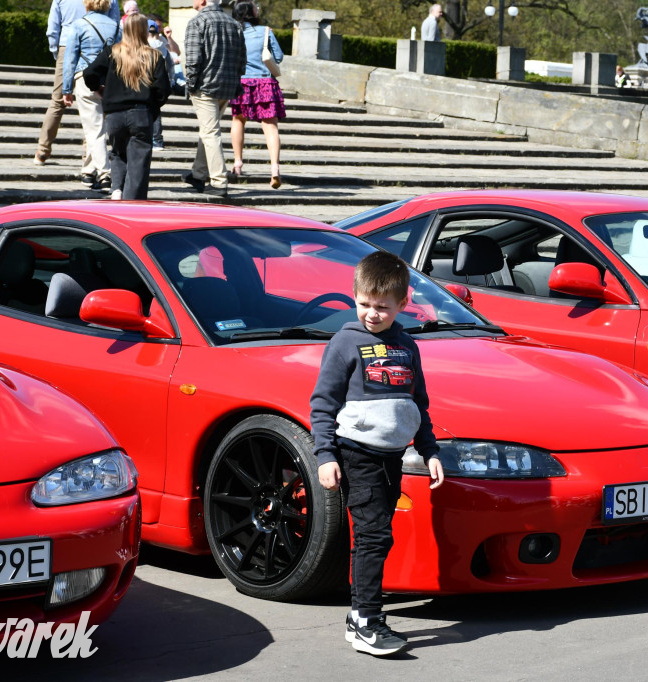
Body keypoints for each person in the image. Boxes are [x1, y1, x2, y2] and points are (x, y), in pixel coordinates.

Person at [310, 251, 444, 657]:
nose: (372, 313)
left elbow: (417, 403)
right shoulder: (346, 341)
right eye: (364, 304)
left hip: (392, 458)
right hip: (356, 454)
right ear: (355, 298)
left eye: (382, 307)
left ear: (403, 304)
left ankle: (359, 617)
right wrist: (325, 455)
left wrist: (429, 449)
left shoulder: (406, 345)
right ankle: (367, 620)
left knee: (374, 538)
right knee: (373, 536)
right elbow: (323, 402)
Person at [84, 12, 170, 200]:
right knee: (138, 161)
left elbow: (89, 72)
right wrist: (153, 108)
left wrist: (99, 89)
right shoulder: (154, 56)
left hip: (114, 114)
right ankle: (132, 203)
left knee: (117, 153)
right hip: (141, 113)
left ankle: (117, 189)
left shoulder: (112, 52)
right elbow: (163, 90)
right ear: (143, 31)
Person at [38, 0, 120, 166]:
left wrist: (57, 52)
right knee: (97, 106)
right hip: (99, 49)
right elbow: (116, 25)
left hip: (66, 44)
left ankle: (42, 150)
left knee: (57, 101)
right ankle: (89, 155)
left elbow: (52, 28)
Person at [183, 0, 245, 198]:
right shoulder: (234, 23)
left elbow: (193, 59)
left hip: (205, 86)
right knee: (208, 129)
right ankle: (198, 174)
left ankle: (218, 181)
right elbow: (242, 60)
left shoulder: (197, 22)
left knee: (210, 132)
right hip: (226, 86)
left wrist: (190, 84)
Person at [62, 0, 121, 191]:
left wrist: (66, 88)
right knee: (95, 128)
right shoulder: (116, 27)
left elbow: (70, 59)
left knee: (94, 129)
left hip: (85, 78)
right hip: (109, 82)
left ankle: (105, 175)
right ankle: (88, 172)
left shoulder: (79, 25)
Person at [228, 0, 285, 189]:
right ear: (251, 12)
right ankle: (275, 169)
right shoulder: (265, 31)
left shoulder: (234, 33)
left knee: (238, 121)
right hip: (264, 82)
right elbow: (278, 57)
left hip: (242, 82)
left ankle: (237, 164)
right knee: (270, 127)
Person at [146, 18, 174, 151]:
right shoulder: (163, 47)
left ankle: (145, 137)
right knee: (156, 111)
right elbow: (170, 64)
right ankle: (157, 140)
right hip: (159, 82)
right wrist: (171, 79)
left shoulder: (142, 46)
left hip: (145, 82)